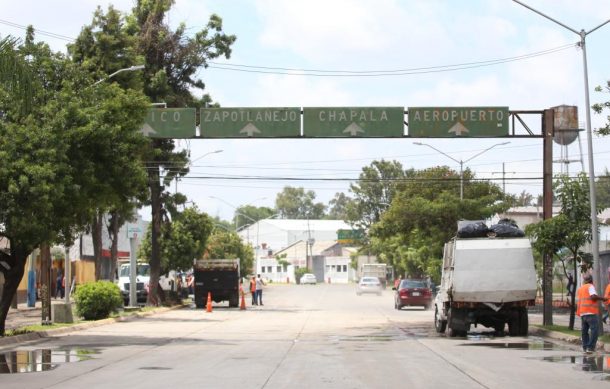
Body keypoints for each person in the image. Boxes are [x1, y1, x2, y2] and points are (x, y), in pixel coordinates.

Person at [576, 274, 606, 353]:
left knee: (584, 331)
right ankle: (590, 347)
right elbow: (593, 297)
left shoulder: (580, 288)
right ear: (591, 280)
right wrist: (603, 299)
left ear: (584, 280)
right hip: (591, 312)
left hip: (583, 313)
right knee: (594, 330)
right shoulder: (590, 286)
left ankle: (585, 347)